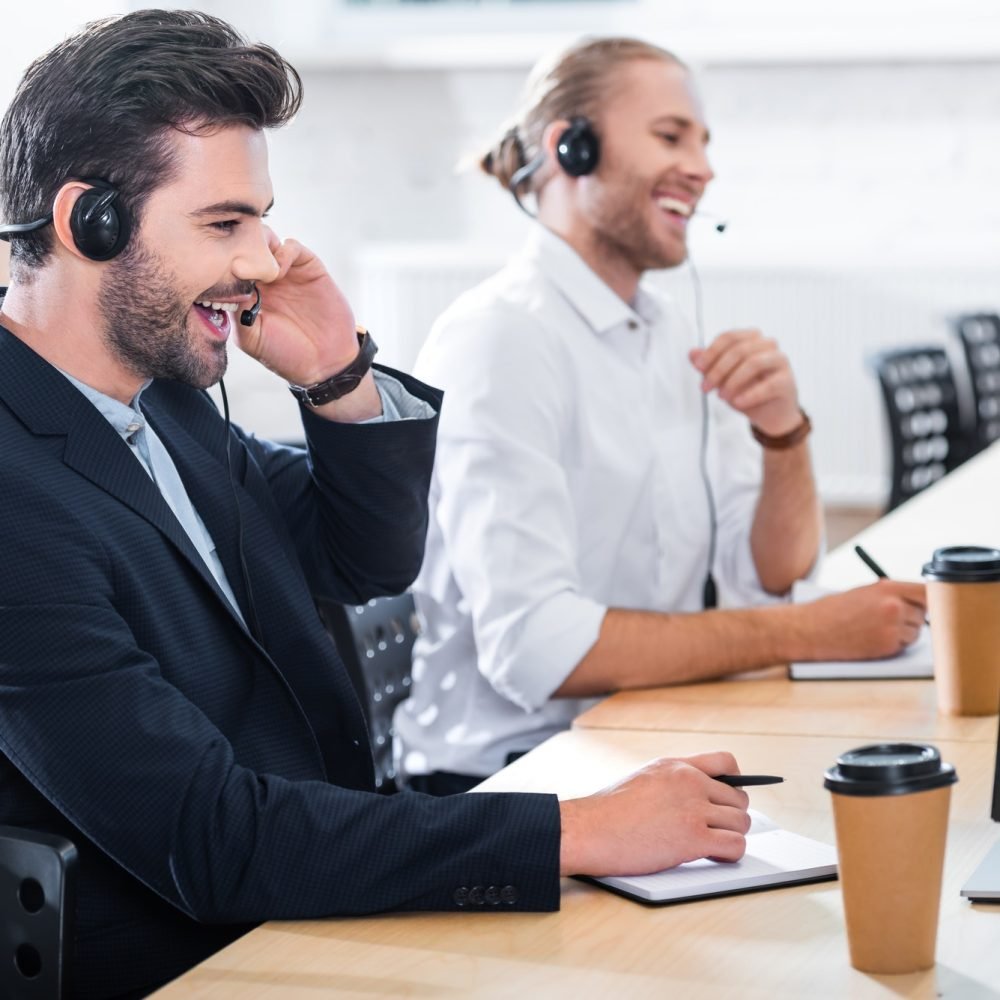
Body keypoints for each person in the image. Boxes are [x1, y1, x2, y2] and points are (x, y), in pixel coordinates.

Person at [0, 13, 752, 998]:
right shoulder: (16, 494)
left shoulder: (170, 408)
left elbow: (363, 560)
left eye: (261, 220)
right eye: (226, 223)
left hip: (321, 905)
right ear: (87, 220)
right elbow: (209, 836)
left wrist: (340, 379)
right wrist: (576, 830)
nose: (265, 261)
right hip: (195, 958)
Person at [395, 36, 927, 794]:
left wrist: (784, 435)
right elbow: (540, 650)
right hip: (510, 782)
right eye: (670, 135)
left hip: (639, 738)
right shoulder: (502, 337)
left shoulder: (668, 329)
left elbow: (766, 577)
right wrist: (813, 630)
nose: (703, 168)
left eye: (703, 143)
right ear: (571, 147)